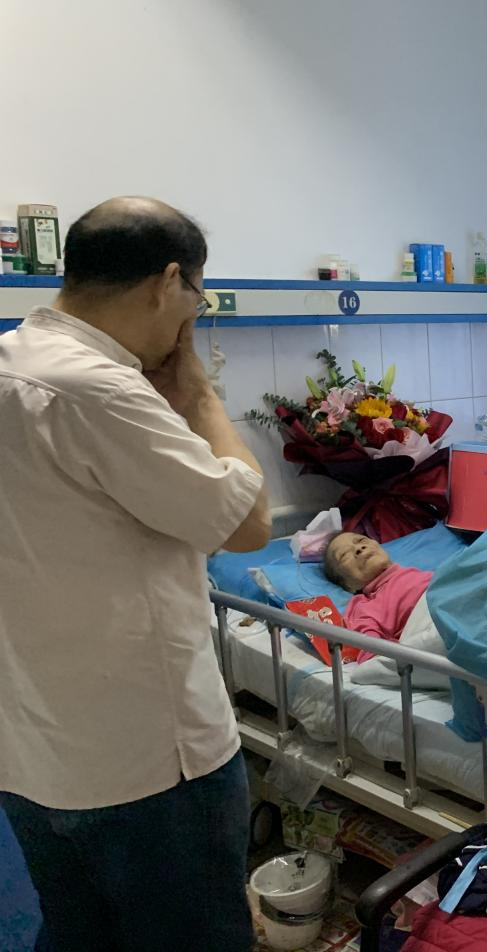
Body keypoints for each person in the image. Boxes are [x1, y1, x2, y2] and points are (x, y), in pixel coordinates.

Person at [0, 197, 271, 951]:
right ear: (169, 282)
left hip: (33, 753)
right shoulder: (99, 390)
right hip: (148, 762)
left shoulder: (13, 360)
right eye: (197, 301)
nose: (192, 318)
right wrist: (200, 396)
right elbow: (248, 525)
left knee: (78, 930)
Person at [324, 531, 433, 661]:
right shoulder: (365, 606)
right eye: (344, 555)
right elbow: (372, 655)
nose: (358, 548)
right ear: (347, 584)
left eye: (361, 540)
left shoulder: (421, 574)